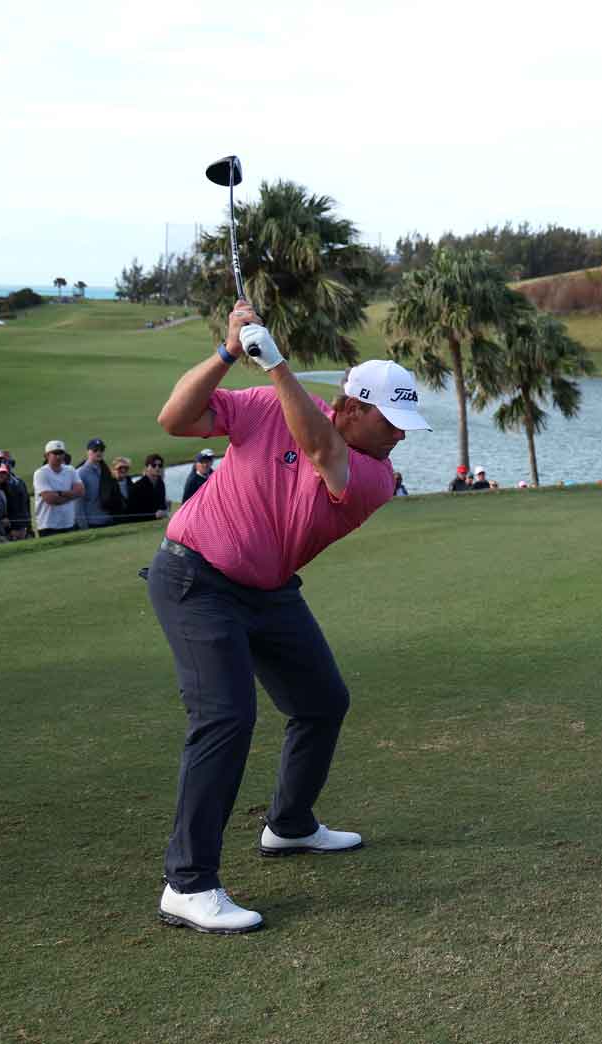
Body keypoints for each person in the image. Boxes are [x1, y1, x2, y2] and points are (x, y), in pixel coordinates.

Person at [147, 300, 430, 934]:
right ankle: (187, 885)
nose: (401, 434)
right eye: (391, 420)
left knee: (322, 701)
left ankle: (290, 825)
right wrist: (227, 353)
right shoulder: (266, 404)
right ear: (352, 406)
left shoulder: (374, 477)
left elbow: (322, 449)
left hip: (269, 591)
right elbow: (175, 418)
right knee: (225, 715)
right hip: (194, 577)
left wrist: (275, 365)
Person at [33, 439, 85, 536]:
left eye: (61, 453)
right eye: (55, 453)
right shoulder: (40, 473)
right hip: (48, 525)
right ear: (47, 456)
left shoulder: (70, 470)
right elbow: (51, 499)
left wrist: (60, 493)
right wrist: (71, 495)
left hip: (69, 523)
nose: (58, 456)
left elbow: (81, 491)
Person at [76, 437, 118, 529]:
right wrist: (83, 526)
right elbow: (79, 503)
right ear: (88, 452)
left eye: (101, 450)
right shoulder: (81, 473)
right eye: (95, 450)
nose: (99, 453)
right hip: (93, 523)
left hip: (109, 520)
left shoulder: (106, 470)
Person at [125, 454, 170, 522]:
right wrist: (154, 515)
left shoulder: (160, 484)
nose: (157, 468)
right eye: (153, 465)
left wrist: (164, 511)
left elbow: (161, 505)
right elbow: (134, 513)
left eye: (160, 466)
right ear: (147, 467)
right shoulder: (137, 487)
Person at [2, 456, 31, 540]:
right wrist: (9, 530)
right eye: (4, 463)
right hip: (8, 531)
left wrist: (29, 529)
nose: (8, 466)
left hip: (23, 529)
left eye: (10, 463)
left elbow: (26, 506)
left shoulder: (20, 483)